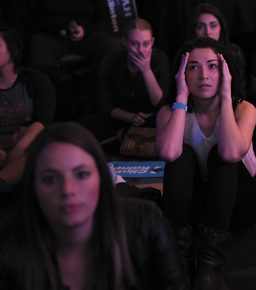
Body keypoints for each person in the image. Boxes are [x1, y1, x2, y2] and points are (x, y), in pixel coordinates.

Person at [0, 122, 188, 289]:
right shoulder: (9, 242)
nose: (68, 190)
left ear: (102, 179)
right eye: (50, 179)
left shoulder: (146, 223)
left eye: (81, 175)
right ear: (33, 187)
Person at [156, 37, 256, 289]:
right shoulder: (169, 112)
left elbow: (230, 154)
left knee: (221, 155)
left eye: (212, 66)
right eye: (193, 67)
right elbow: (169, 154)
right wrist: (181, 97)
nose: (203, 74)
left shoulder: (244, 109)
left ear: (224, 72)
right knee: (181, 153)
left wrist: (227, 97)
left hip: (236, 202)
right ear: (182, 74)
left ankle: (209, 265)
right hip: (193, 207)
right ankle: (181, 259)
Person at [89, 18, 169, 142]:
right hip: (119, 121)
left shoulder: (160, 59)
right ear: (124, 42)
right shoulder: (111, 60)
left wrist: (146, 71)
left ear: (152, 42)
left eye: (146, 44)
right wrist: (129, 117)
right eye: (134, 44)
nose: (140, 50)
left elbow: (161, 104)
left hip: (151, 123)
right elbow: (104, 103)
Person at [0, 28, 55, 192]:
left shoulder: (36, 80)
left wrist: (18, 148)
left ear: (13, 50)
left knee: (45, 148)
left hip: (23, 141)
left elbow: (42, 121)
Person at [188, 3, 247, 93]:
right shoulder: (186, 54)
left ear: (221, 27)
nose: (207, 32)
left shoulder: (233, 52)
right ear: (194, 30)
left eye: (213, 25)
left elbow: (240, 89)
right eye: (200, 27)